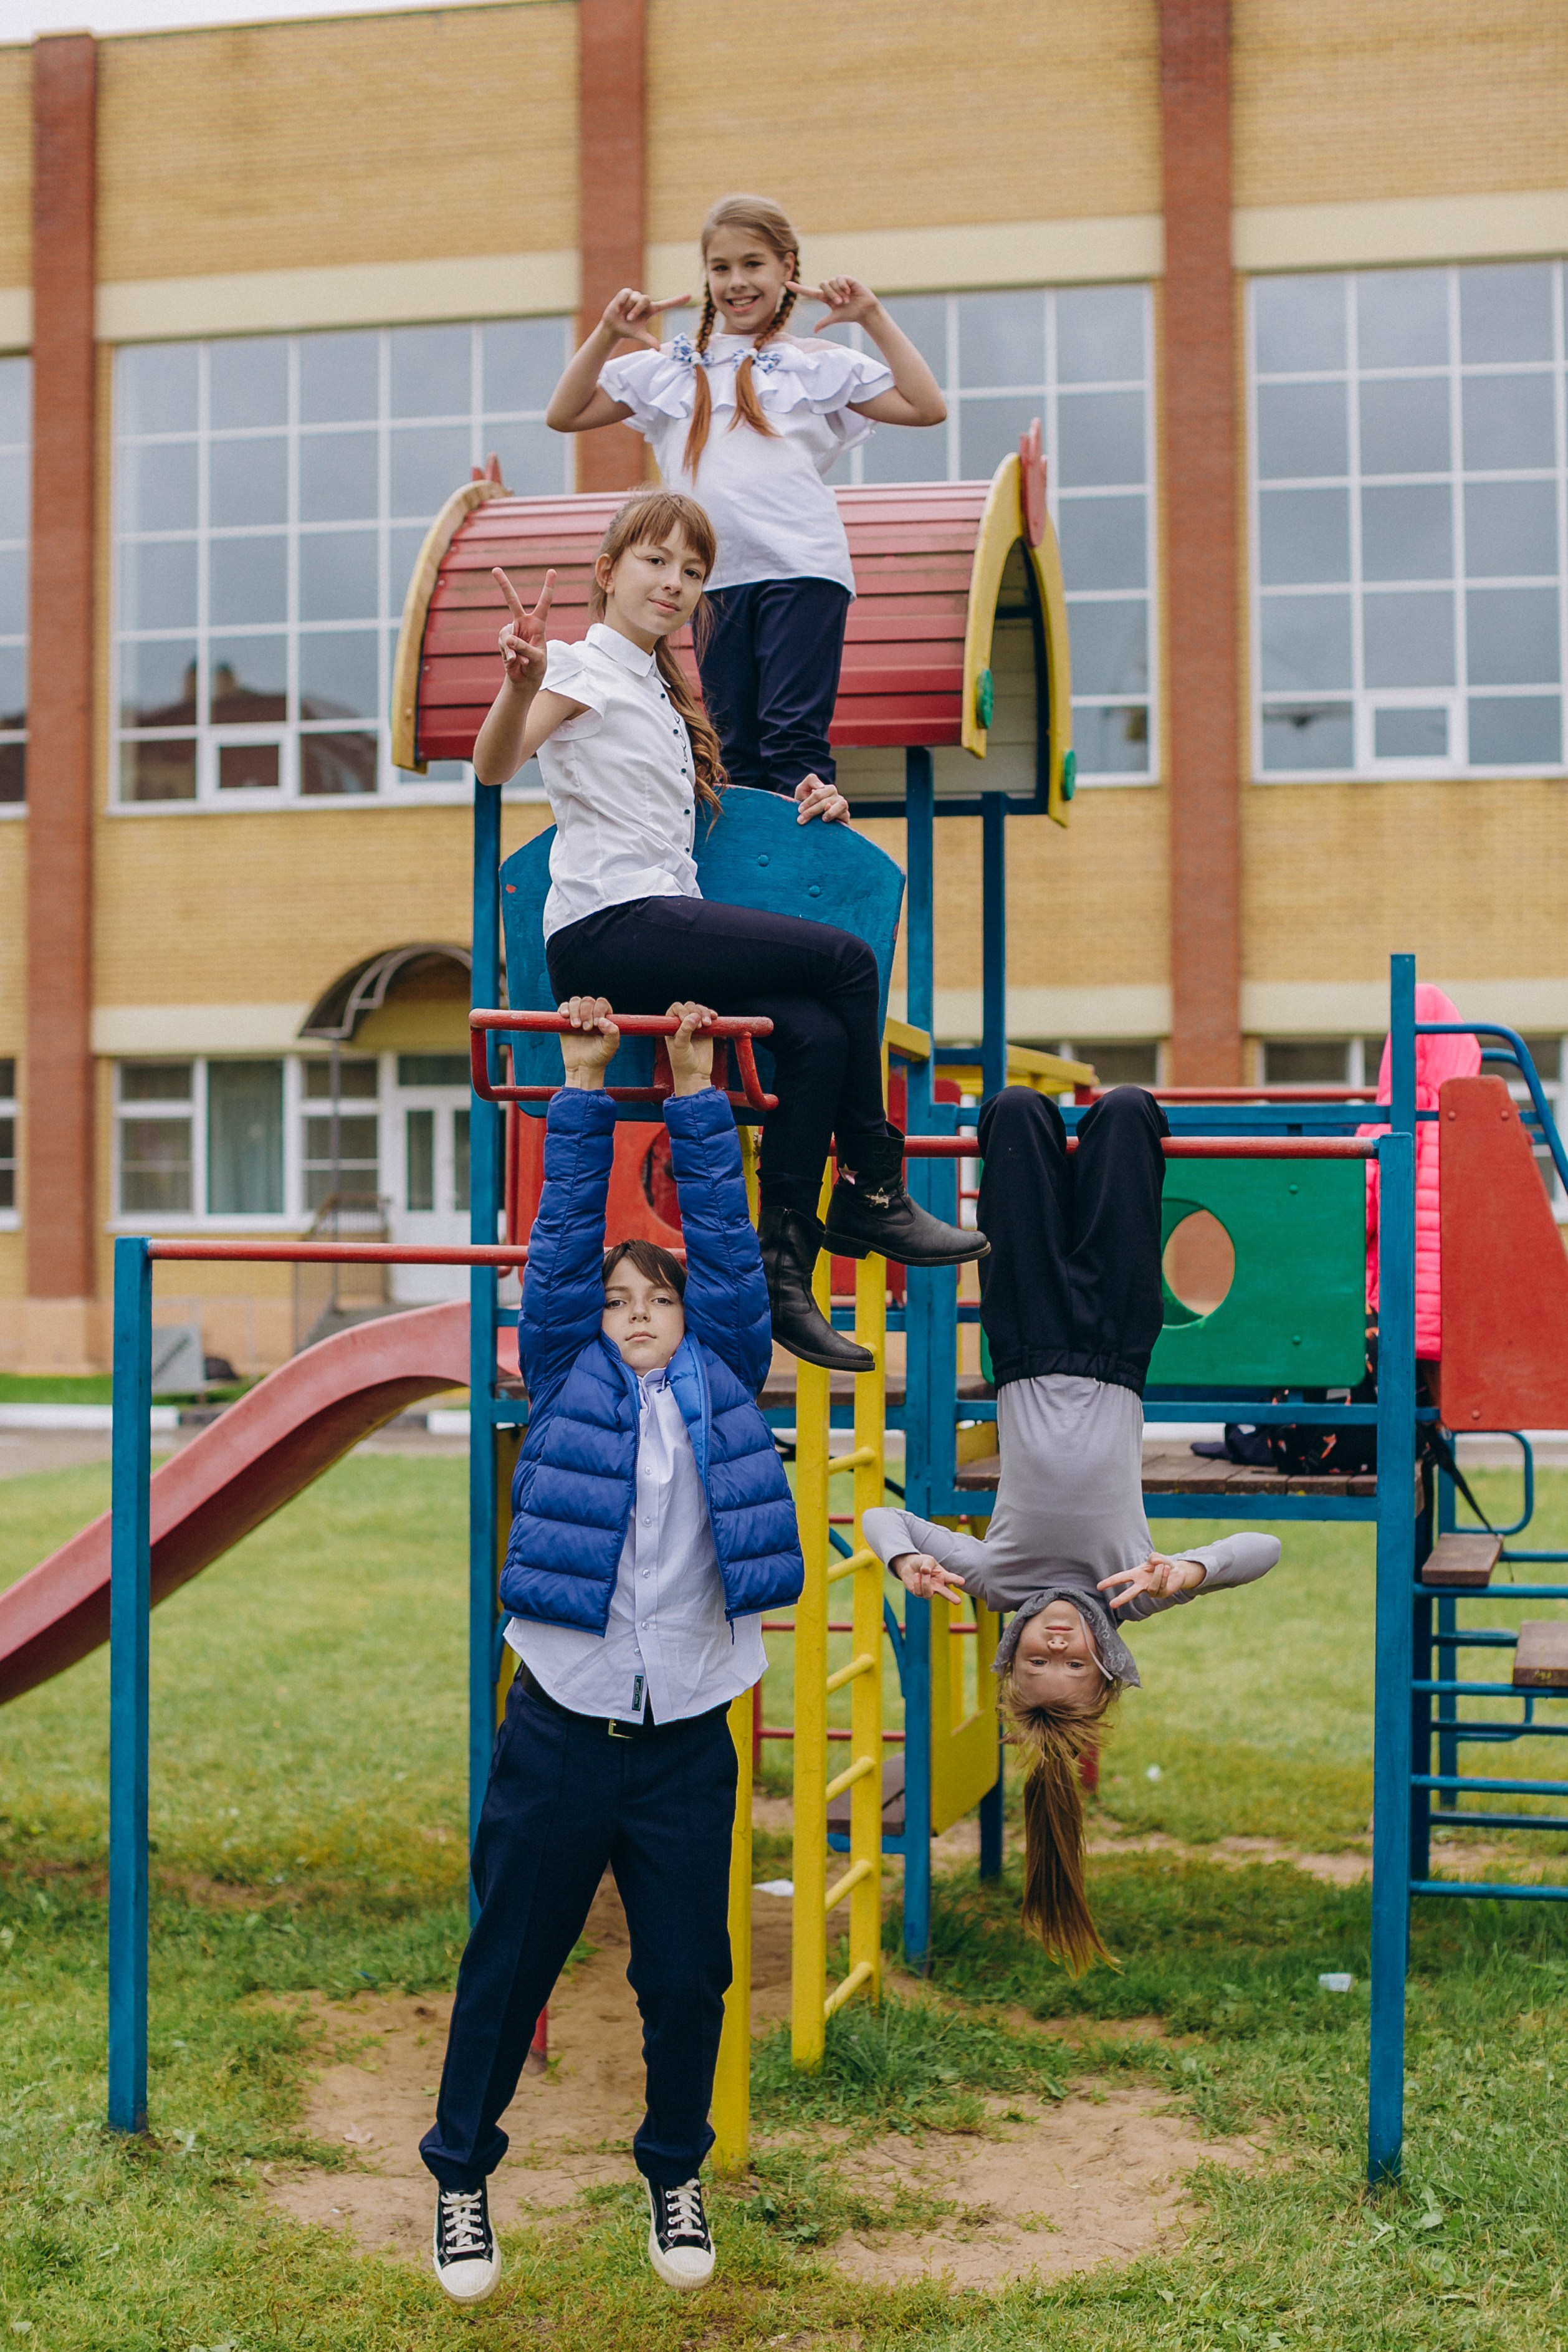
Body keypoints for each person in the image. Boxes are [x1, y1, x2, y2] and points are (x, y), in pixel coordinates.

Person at [420, 998, 803, 2305]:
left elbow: (733, 1252)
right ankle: (461, 2178)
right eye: (620, 1300)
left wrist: (697, 1091)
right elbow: (567, 1237)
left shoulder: (728, 1369)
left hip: (691, 1732)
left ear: (690, 1320)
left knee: (689, 1974)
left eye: (660, 1298)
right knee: (509, 1961)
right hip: (565, 1724)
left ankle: (673, 2169)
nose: (637, 1309)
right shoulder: (565, 1368)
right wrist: (584, 1081)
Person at [474, 487, 986, 1377]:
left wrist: (815, 797)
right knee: (849, 961)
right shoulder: (574, 666)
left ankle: (784, 1276)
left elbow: (724, 806)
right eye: (655, 560)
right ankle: (873, 1182)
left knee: (820, 1030)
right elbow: (495, 763)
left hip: (661, 930)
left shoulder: (666, 696)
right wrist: (518, 683)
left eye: (692, 571)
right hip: (608, 927)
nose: (674, 582)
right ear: (607, 573)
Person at [862, 1084, 1281, 1971]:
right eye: (1075, 1664)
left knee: (1014, 1115)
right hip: (1118, 1343)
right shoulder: (1131, 1591)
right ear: (1107, 1662)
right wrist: (1193, 1571)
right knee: (1128, 1111)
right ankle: (1112, 1121)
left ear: (1013, 1654)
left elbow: (879, 1511)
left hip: (1021, 1335)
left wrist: (904, 1555)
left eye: (1038, 1663)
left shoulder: (997, 1581)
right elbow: (1266, 1549)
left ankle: (1026, 1121)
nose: (1057, 1643)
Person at [545, 191, 947, 799]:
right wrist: (606, 333)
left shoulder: (809, 363)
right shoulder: (674, 365)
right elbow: (565, 413)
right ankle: (745, 887)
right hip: (713, 581)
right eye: (721, 268)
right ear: (706, 275)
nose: (736, 282)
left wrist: (871, 317)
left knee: (791, 739)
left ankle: (801, 883)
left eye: (753, 264)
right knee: (732, 747)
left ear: (787, 268)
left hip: (800, 569)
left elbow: (925, 407)